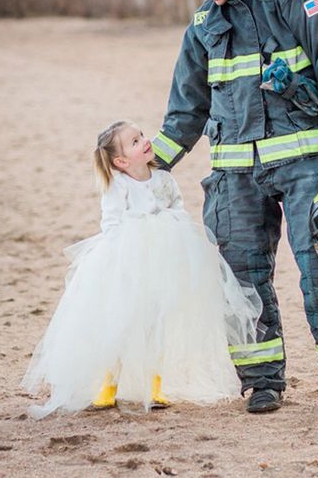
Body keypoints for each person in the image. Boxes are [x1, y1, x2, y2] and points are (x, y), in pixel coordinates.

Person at [152, 0, 318, 415]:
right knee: (239, 280)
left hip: (302, 162)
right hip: (234, 171)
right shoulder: (204, 23)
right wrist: (154, 161)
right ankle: (262, 383)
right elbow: (188, 103)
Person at [21, 119, 261, 418]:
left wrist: (176, 232)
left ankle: (155, 383)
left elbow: (176, 208)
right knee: (121, 322)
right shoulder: (118, 185)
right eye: (134, 142)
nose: (145, 141)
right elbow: (111, 223)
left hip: (162, 259)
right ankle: (108, 384)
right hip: (128, 262)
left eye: (141, 135)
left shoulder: (163, 179)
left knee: (156, 323)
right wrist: (127, 247)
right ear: (121, 161)